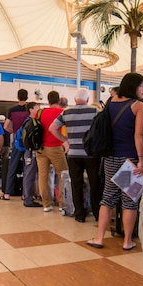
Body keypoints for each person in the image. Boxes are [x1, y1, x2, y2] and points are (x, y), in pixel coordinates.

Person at [85, 72, 143, 251]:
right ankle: (127, 241)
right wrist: (141, 161)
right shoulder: (138, 106)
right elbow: (139, 135)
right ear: (134, 86)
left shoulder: (111, 102)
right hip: (129, 159)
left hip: (110, 158)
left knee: (108, 198)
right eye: (142, 85)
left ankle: (99, 238)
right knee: (129, 200)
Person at [49, 87, 102, 222]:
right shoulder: (95, 110)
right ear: (88, 99)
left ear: (74, 100)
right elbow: (102, 128)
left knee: (76, 184)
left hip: (73, 154)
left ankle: (79, 214)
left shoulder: (66, 112)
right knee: (95, 183)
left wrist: (65, 141)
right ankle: (97, 213)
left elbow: (52, 128)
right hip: (91, 154)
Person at [36, 90, 69, 213]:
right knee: (62, 175)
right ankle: (61, 204)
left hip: (40, 149)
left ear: (48, 100)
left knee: (43, 176)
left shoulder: (40, 112)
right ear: (59, 100)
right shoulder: (61, 112)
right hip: (55, 147)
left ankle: (46, 204)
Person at [1, 89, 30, 200]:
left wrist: (13, 131)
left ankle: (7, 193)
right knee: (26, 168)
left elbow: (5, 127)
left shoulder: (12, 110)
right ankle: (25, 193)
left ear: (17, 97)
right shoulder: (29, 109)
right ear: (27, 98)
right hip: (27, 141)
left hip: (17, 141)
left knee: (12, 166)